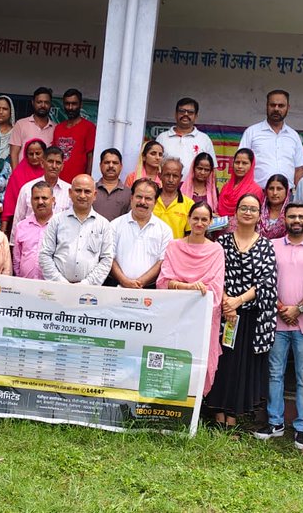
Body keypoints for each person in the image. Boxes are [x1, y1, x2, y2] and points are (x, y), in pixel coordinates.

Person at [205, 194, 278, 428]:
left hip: (249, 316)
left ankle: (233, 416)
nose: (248, 212)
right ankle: (217, 414)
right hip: (223, 312)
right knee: (222, 362)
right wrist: (227, 301)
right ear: (235, 212)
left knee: (240, 366)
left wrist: (238, 301)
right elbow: (215, 274)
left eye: (253, 209)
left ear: (259, 215)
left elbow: (267, 281)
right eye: (244, 208)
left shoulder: (266, 245)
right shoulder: (222, 243)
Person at [258, 203, 303, 448]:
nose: (296, 220)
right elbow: (264, 279)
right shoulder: (272, 246)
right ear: (285, 219)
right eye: (292, 216)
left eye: (301, 216)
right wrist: (281, 307)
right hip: (277, 322)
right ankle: (275, 422)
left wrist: (299, 308)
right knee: (275, 373)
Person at [158, 201, 225, 394]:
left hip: (202, 318)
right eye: (195, 218)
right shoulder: (174, 246)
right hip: (175, 315)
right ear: (188, 219)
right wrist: (190, 287)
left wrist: (186, 288)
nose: (199, 223)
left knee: (198, 359)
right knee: (173, 356)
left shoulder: (216, 250)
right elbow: (164, 281)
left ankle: (194, 406)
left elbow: (215, 289)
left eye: (204, 219)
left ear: (210, 222)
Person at [39, 174, 114, 285]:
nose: (82, 195)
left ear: (95, 195)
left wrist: (87, 284)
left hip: (89, 293)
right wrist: (60, 282)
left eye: (87, 191)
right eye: (78, 190)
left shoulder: (103, 224)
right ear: (70, 193)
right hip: (58, 288)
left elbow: (106, 259)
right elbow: (45, 254)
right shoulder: (57, 220)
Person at [108, 179, 171, 288]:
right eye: (139, 197)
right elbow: (109, 257)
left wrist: (139, 282)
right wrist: (124, 281)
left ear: (155, 202)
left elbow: (162, 261)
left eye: (148, 198)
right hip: (117, 287)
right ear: (131, 198)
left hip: (149, 291)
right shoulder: (115, 225)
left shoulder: (164, 230)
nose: (142, 202)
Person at [238, 90, 303, 188]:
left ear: (288, 107)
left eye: (281, 105)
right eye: (273, 105)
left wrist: (299, 197)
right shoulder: (252, 132)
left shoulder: (294, 136)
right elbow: (241, 164)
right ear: (267, 106)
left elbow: (299, 170)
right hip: (256, 195)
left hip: (287, 196)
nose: (276, 109)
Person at [155, 97, 217, 180]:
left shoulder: (204, 139)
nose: (186, 114)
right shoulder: (162, 138)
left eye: (190, 112)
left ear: (196, 116)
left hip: (194, 190)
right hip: (166, 188)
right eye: (182, 111)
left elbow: (213, 170)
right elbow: (155, 166)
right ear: (175, 114)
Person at [13, 147, 72, 228]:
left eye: (58, 163)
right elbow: (18, 220)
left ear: (62, 166)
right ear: (42, 163)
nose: (54, 166)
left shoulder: (70, 192)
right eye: (50, 162)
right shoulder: (27, 189)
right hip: (31, 239)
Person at [1, 138, 47, 231]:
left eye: (38, 153)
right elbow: (9, 203)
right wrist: (3, 229)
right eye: (31, 154)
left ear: (44, 154)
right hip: (22, 225)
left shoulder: (49, 173)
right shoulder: (18, 174)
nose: (34, 157)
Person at [53, 88, 96, 182]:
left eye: (74, 104)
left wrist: (86, 180)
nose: (70, 107)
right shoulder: (58, 128)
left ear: (80, 105)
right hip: (58, 182)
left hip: (77, 183)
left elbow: (90, 157)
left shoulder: (89, 127)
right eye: (67, 104)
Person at [13, 182, 54, 280]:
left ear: (53, 200)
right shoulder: (21, 226)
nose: (40, 202)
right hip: (25, 285)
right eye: (36, 198)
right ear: (31, 201)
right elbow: (16, 259)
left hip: (51, 288)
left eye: (44, 198)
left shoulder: (60, 226)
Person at [9, 87, 56, 166]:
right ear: (33, 102)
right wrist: (16, 176)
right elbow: (14, 155)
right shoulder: (21, 124)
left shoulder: (56, 128)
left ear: (50, 104)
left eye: (46, 102)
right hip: (23, 176)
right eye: (39, 102)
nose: (43, 105)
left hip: (45, 177)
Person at [217, 148, 263, 218]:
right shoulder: (226, 187)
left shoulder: (256, 190)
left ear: (251, 165)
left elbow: (254, 216)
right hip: (220, 227)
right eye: (237, 162)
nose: (240, 166)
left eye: (244, 163)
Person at [154, 158, 193, 239]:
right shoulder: (150, 200)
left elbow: (189, 235)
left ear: (181, 177)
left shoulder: (189, 204)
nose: (171, 180)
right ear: (160, 176)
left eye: (175, 176)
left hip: (176, 250)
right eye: (167, 175)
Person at [93, 148, 131, 221]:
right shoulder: (90, 190)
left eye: (115, 163)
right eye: (107, 162)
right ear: (100, 165)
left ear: (121, 166)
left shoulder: (129, 193)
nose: (111, 166)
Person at [260, 174, 289, 239]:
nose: (274, 193)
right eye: (271, 188)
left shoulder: (291, 214)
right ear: (266, 191)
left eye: (279, 189)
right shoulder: (258, 212)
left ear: (286, 192)